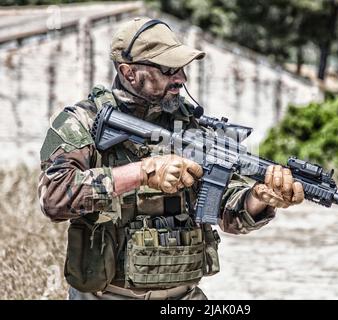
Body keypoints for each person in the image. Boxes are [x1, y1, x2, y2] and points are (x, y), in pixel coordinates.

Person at [38, 17, 304, 300]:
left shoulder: (190, 126)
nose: (181, 79)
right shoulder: (81, 122)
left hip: (184, 296)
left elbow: (228, 211)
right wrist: (142, 173)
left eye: (181, 69)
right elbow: (53, 199)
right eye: (168, 70)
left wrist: (260, 198)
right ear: (128, 72)